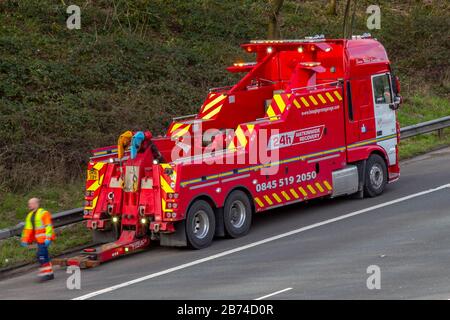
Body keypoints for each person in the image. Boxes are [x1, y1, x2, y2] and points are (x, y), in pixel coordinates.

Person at [21, 198, 55, 281]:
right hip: (39, 240)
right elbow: (28, 229)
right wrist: (25, 240)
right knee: (43, 256)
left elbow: (48, 226)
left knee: (41, 255)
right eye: (29, 203)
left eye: (31, 203)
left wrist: (48, 238)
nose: (29, 205)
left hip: (44, 239)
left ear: (36, 204)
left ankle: (46, 274)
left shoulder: (44, 213)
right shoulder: (30, 216)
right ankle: (49, 274)